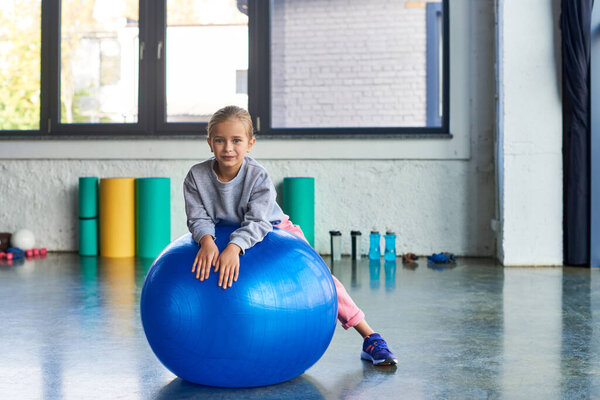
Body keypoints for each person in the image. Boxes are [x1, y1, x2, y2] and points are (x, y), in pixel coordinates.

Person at [183, 105, 397, 366]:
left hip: (274, 229)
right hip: (224, 232)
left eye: (236, 140)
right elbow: (198, 217)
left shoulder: (258, 176)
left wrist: (234, 247)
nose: (228, 148)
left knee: (323, 278)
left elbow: (259, 220)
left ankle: (370, 336)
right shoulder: (196, 176)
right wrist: (207, 240)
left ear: (250, 144)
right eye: (220, 140)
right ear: (209, 143)